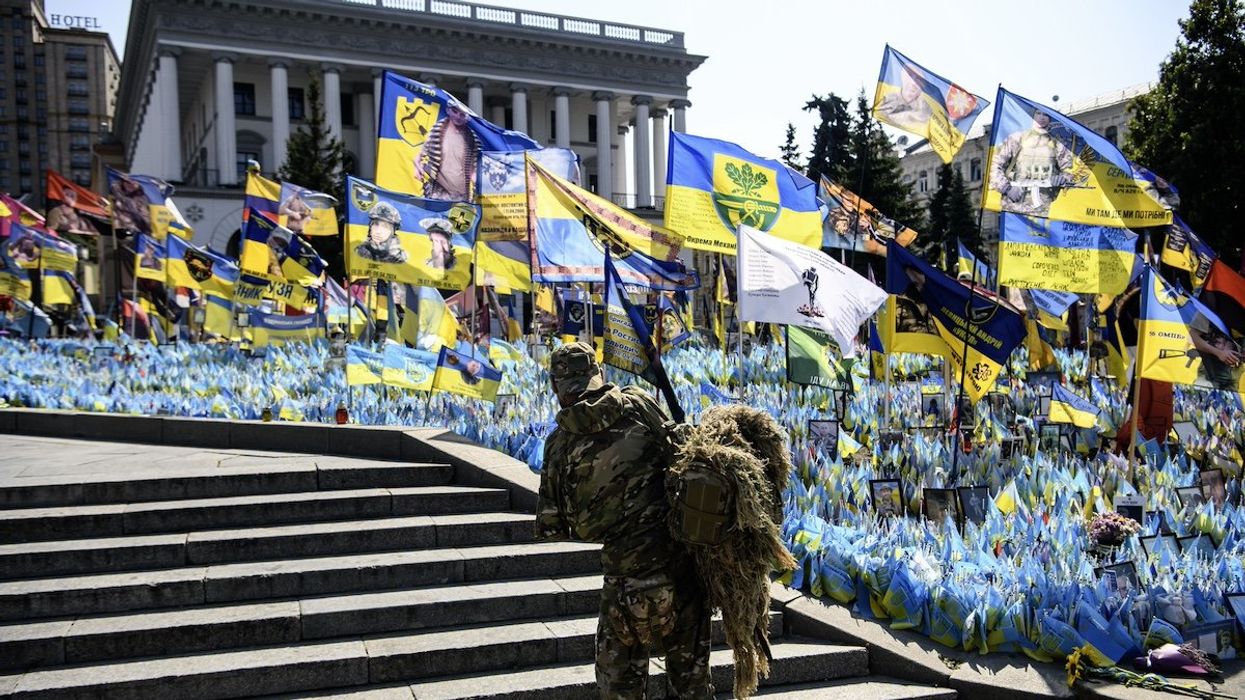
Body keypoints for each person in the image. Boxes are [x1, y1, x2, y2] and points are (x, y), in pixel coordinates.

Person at [536, 342, 711, 699]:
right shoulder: (641, 404)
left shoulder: (558, 443)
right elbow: (681, 456)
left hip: (623, 581)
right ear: (597, 375)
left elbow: (553, 527)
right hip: (679, 568)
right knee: (691, 685)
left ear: (557, 386)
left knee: (621, 689)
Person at [989, 110, 1076, 217]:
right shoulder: (1017, 139)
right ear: (1032, 116)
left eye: (1046, 115)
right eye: (1038, 113)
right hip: (1014, 208)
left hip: (1044, 209)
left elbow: (1070, 171)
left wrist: (1061, 179)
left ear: (1050, 119)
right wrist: (1007, 188)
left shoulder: (1058, 144)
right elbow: (994, 165)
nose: (1042, 117)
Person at [413, 102, 480, 202]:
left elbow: (472, 170)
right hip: (437, 193)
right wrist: (418, 168)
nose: (458, 116)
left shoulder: (471, 138)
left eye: (462, 115)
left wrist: (479, 186)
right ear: (448, 110)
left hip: (461, 196)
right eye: (455, 111)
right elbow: (419, 156)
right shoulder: (437, 131)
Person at [874, 65, 934, 132]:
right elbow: (878, 117)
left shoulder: (927, 110)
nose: (913, 83)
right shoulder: (887, 101)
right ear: (903, 78)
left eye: (919, 80)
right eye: (910, 76)